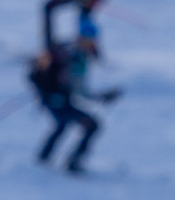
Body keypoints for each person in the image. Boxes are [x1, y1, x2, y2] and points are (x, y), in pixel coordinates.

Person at [29, 37, 120, 173]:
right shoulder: (76, 60)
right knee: (92, 125)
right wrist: (101, 97)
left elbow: (75, 89)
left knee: (62, 124)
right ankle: (73, 163)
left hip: (54, 101)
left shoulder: (69, 55)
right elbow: (78, 90)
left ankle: (43, 158)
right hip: (59, 102)